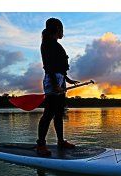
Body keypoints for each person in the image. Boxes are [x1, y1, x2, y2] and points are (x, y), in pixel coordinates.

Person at [37, 18, 80, 157]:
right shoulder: (47, 44)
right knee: (48, 113)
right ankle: (41, 144)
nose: (62, 32)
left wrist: (67, 80)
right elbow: (49, 66)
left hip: (60, 80)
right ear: (56, 29)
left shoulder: (55, 44)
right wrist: (55, 85)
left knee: (59, 113)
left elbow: (60, 68)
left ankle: (60, 141)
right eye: (61, 29)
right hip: (52, 80)